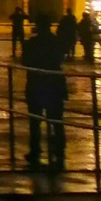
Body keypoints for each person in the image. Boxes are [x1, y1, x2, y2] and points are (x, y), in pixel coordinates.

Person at [21, 16, 68, 170]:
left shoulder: (32, 43)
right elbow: (62, 57)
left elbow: (25, 61)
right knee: (56, 120)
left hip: (36, 82)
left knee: (35, 120)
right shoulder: (57, 42)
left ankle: (35, 149)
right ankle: (59, 151)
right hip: (54, 82)